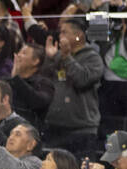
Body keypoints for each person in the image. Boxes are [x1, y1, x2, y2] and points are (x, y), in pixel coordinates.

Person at [44, 17, 104, 157]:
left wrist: (66, 57)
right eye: (60, 33)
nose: (60, 36)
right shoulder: (59, 56)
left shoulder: (93, 58)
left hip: (82, 129)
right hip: (56, 127)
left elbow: (82, 80)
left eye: (65, 32)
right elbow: (45, 80)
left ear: (79, 36)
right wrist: (50, 58)